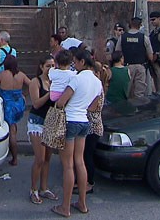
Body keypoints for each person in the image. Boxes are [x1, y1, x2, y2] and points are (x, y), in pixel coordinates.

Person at [52, 48, 102, 217]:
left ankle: (65, 207)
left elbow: (61, 102)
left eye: (76, 61)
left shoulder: (76, 79)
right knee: (80, 162)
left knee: (68, 165)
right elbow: (93, 106)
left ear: (81, 62)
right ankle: (82, 203)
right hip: (84, 121)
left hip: (70, 120)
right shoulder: (97, 82)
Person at [28, 56, 59, 205]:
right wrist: (50, 93)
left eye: (53, 65)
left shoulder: (56, 81)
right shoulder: (35, 82)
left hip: (51, 122)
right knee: (39, 158)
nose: (51, 68)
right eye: (48, 66)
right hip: (37, 122)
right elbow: (36, 104)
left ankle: (44, 188)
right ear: (41, 67)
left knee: (47, 158)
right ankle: (33, 189)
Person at [0, 55, 30, 166]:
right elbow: (32, 85)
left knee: (11, 131)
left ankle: (14, 158)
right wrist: (23, 95)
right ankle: (12, 154)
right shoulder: (21, 75)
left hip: (7, 105)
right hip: (18, 104)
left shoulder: (2, 75)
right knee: (14, 127)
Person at [81, 54, 106, 196]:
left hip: (94, 126)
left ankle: (89, 183)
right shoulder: (96, 85)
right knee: (85, 154)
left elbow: (93, 108)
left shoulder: (97, 87)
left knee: (88, 155)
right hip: (91, 125)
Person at [115, 17, 153, 99]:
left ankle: (126, 110)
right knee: (139, 94)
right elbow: (151, 57)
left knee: (126, 92)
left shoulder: (122, 38)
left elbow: (117, 53)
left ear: (130, 25)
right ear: (140, 26)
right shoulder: (144, 38)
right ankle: (137, 111)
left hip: (126, 68)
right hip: (140, 67)